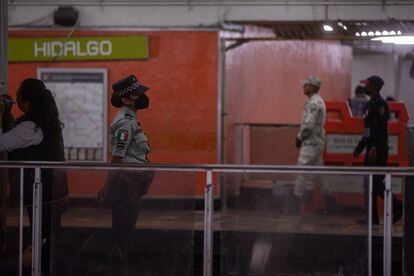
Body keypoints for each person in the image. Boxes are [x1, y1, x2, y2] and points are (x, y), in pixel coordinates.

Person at [0, 78, 68, 275]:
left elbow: (3, 143)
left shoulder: (32, 127)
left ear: (27, 102)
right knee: (48, 237)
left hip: (42, 194)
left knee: (42, 239)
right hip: (52, 193)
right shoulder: (45, 123)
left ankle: (40, 269)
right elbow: (17, 136)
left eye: (19, 95)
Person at [97, 75, 154, 273]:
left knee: (125, 231)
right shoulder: (125, 122)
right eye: (137, 93)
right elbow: (116, 159)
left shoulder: (131, 119)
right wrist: (106, 186)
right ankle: (117, 269)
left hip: (131, 184)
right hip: (125, 184)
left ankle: (119, 266)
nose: (142, 96)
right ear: (126, 99)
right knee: (123, 232)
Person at [353, 75, 402, 225]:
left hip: (378, 149)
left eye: (367, 85)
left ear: (374, 87)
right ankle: (372, 217)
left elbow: (380, 129)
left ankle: (397, 206)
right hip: (370, 148)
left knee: (375, 183)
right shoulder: (370, 105)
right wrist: (360, 148)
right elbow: (367, 129)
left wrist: (374, 147)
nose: (365, 87)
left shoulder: (381, 104)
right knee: (369, 183)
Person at [294, 76, 333, 211]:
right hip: (318, 142)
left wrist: (299, 137)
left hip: (310, 142)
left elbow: (308, 125)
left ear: (313, 87)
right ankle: (331, 202)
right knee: (320, 173)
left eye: (306, 85)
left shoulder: (313, 103)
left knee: (300, 169)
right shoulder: (318, 101)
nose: (303, 87)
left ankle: (294, 202)